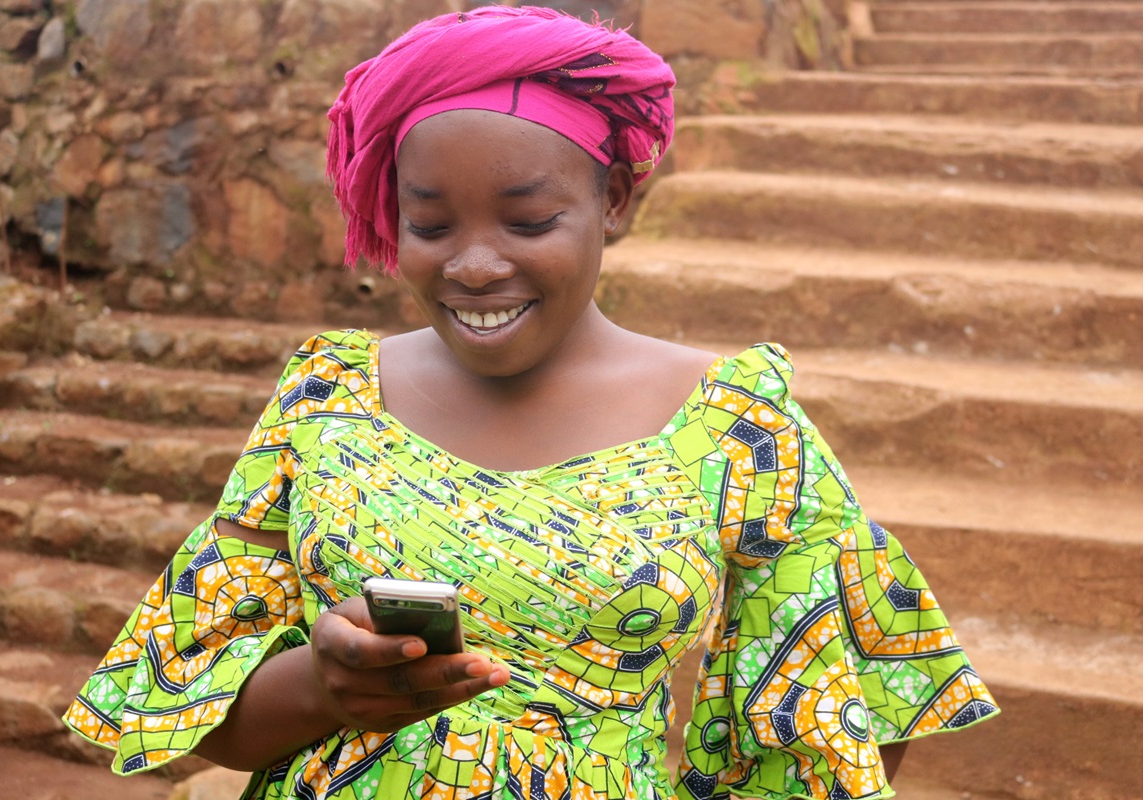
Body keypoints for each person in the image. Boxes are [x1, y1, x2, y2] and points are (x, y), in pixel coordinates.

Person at [64, 7, 999, 799]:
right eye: (430, 224)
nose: (474, 264)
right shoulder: (327, 399)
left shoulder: (737, 427)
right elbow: (183, 721)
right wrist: (325, 688)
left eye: (528, 220)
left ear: (617, 200)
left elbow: (844, 725)